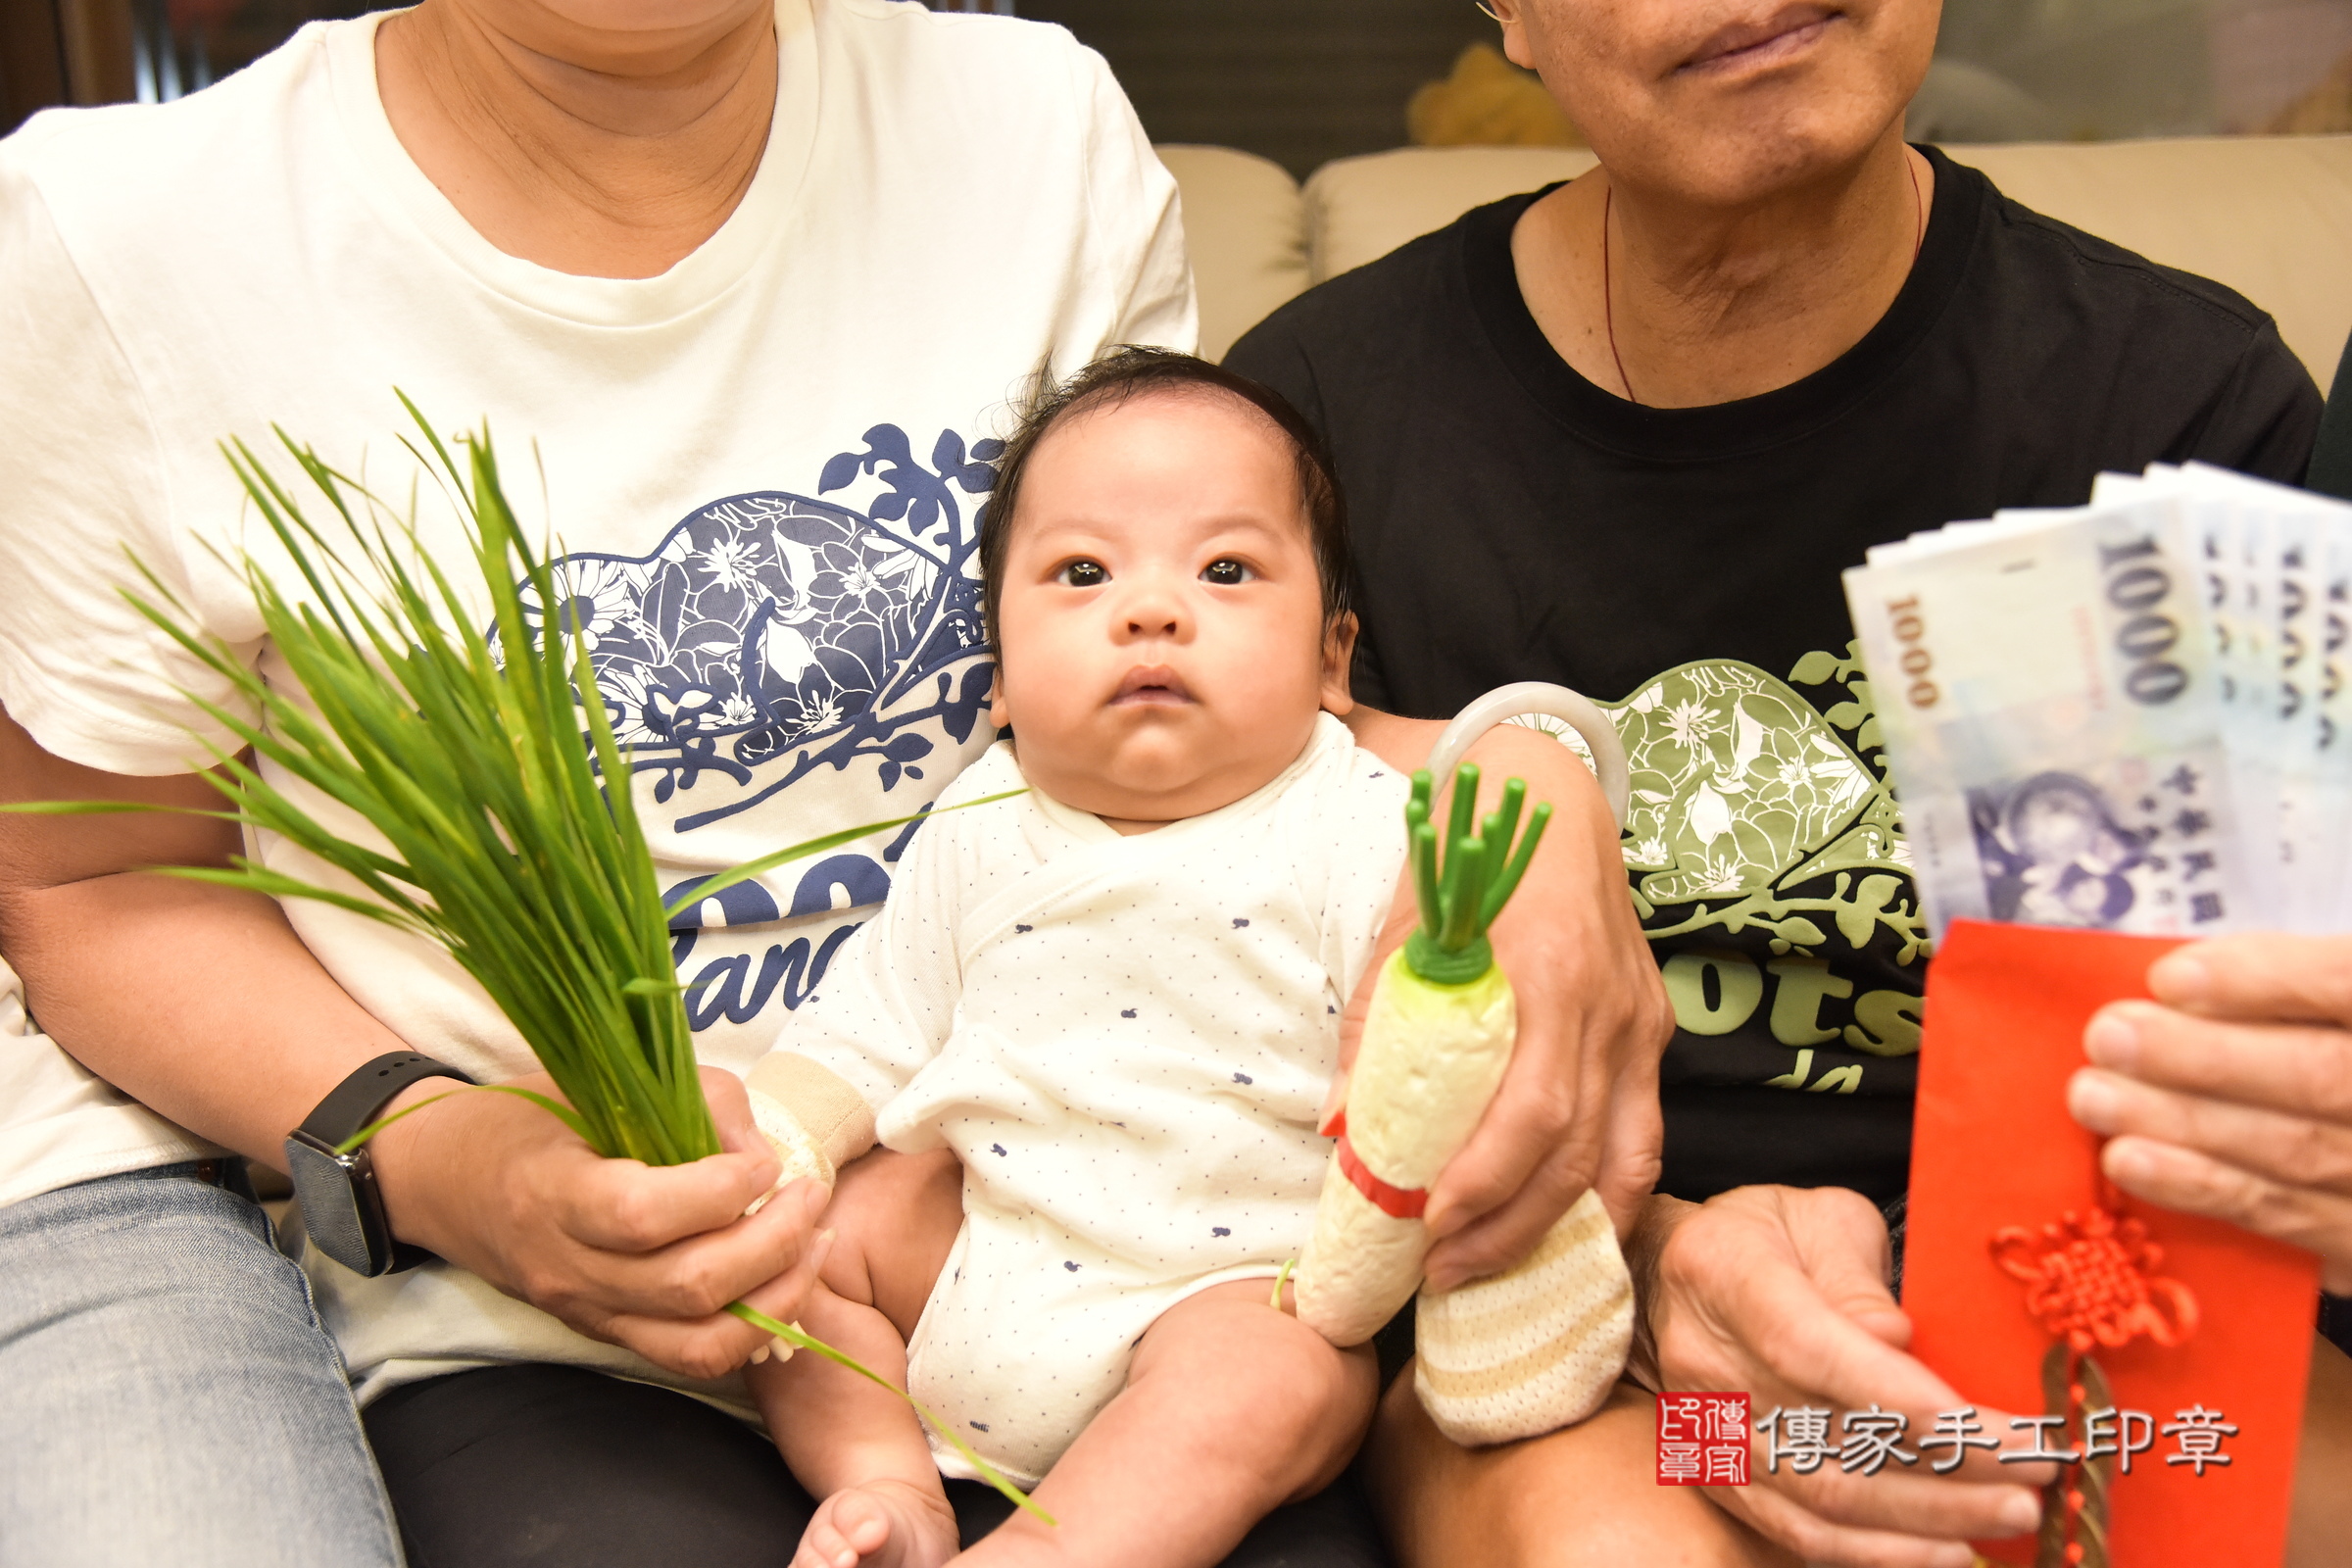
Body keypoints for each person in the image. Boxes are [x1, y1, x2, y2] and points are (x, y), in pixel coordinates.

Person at [0, 3, 1667, 1563]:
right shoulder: (123, 233)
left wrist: (1531, 784)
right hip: (561, 1309)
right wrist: (455, 1161)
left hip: (1132, 1244)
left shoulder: (1032, 130)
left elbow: (1228, 695)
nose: (1136, 608)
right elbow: (96, 880)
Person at [1225, 0, 2349, 1563]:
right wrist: (1662, 1266)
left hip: (2078, 1296)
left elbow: (2265, 1050)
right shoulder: (1324, 419)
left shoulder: (2180, 404)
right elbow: (1211, 981)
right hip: (1568, 1330)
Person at [748, 349, 1396, 1568]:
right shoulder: (981, 818)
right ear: (998, 673)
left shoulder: (1357, 821)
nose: (1150, 610)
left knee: (1281, 1375)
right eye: (1084, 571)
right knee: (791, 1262)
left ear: (1331, 659)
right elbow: (870, 1029)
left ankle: (1057, 1550)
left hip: (1216, 1288)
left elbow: (1428, 1055)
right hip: (974, 1244)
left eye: (1226, 568)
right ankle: (888, 1484)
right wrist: (765, 1157)